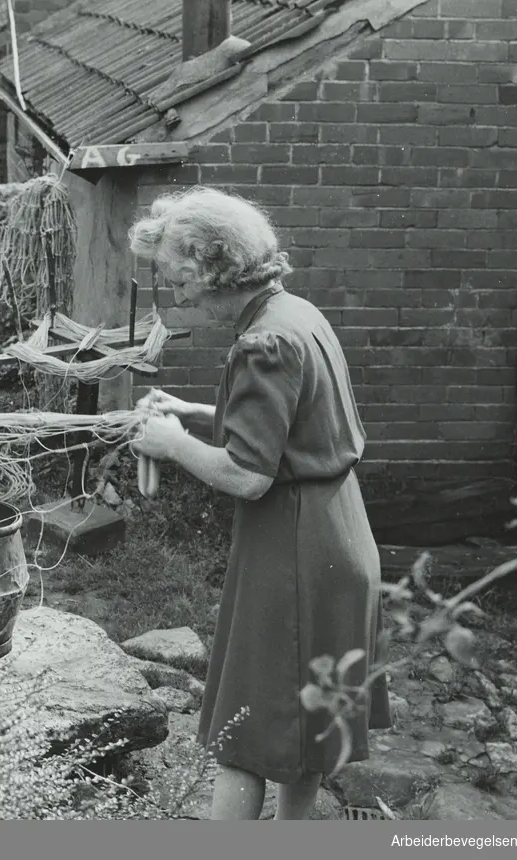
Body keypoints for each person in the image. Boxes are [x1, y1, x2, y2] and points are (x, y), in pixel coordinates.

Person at [129, 187, 391, 821]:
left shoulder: (261, 345)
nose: (176, 297)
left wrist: (173, 443)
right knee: (306, 729)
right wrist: (196, 413)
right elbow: (290, 428)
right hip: (339, 537)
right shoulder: (296, 315)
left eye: (175, 280)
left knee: (245, 738)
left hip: (293, 552)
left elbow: (249, 474)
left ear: (207, 269)